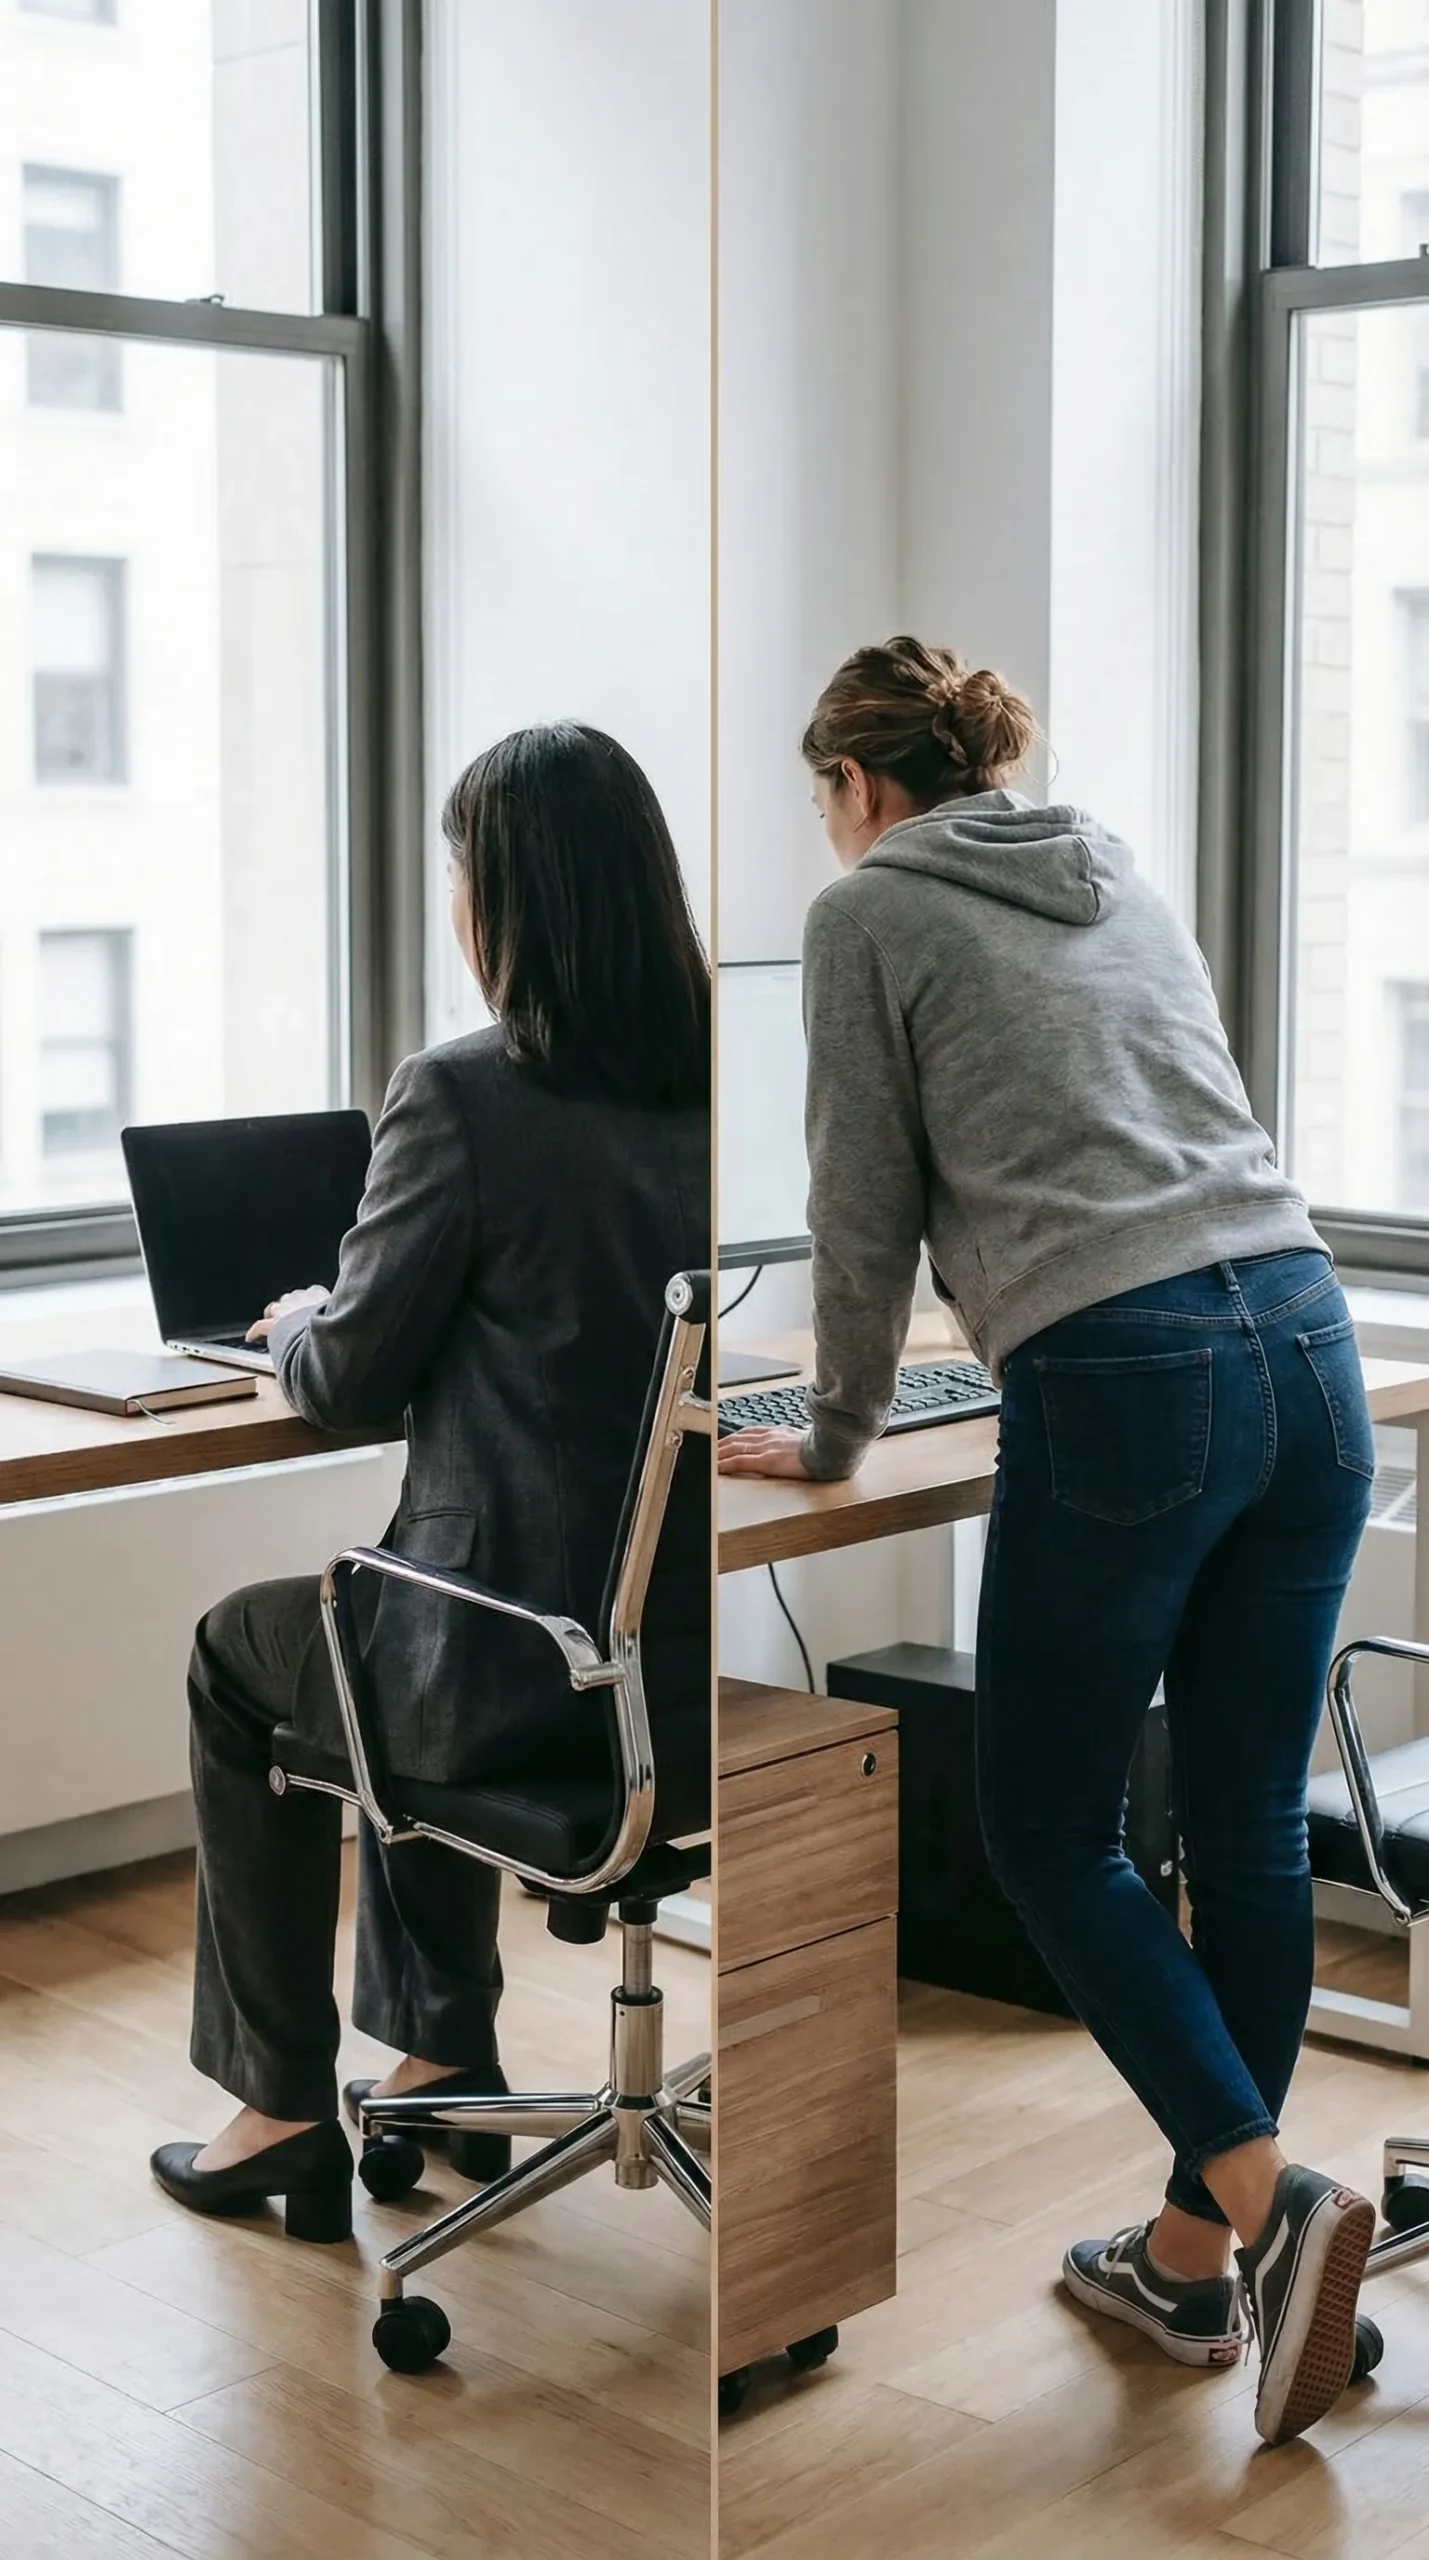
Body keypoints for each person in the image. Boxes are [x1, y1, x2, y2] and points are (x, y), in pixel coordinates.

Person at [718, 635, 1376, 2447]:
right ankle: (1190, 2260)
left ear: (855, 787)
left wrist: (828, 1432)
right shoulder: (1119, 876)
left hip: (1131, 1371)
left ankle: (1273, 2202)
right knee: (1240, 1831)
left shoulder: (866, 918)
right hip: (1306, 1339)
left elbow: (858, 1214)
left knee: (1044, 1826)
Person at [152, 722, 710, 2242]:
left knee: (249, 1654)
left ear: (506, 904)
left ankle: (277, 2105)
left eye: (464, 874)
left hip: (510, 1676)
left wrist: (299, 1326)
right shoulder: (726, 1087)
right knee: (381, 1594)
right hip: (684, 1672)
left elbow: (342, 1384)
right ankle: (442, 2050)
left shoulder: (464, 1095)